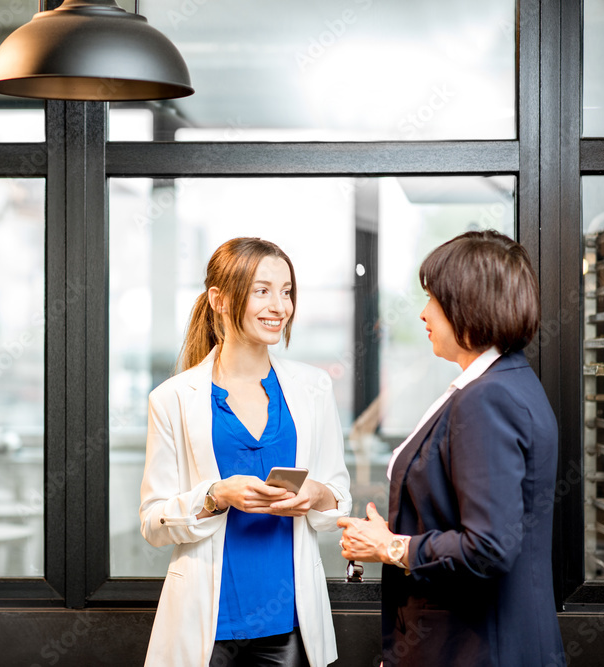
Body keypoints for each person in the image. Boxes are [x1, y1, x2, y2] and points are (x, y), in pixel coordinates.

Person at [338, 230, 564, 666]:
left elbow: (488, 546)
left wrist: (391, 546)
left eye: (434, 301)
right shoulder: (510, 380)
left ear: (469, 306)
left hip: (473, 648)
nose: (423, 314)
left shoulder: (486, 397)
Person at [140, 237, 352, 667]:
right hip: (205, 623)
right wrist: (216, 495)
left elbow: (337, 498)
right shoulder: (173, 399)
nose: (280, 306)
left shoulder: (313, 389)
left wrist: (315, 494)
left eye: (287, 291)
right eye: (262, 290)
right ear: (218, 299)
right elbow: (153, 522)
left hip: (289, 624)